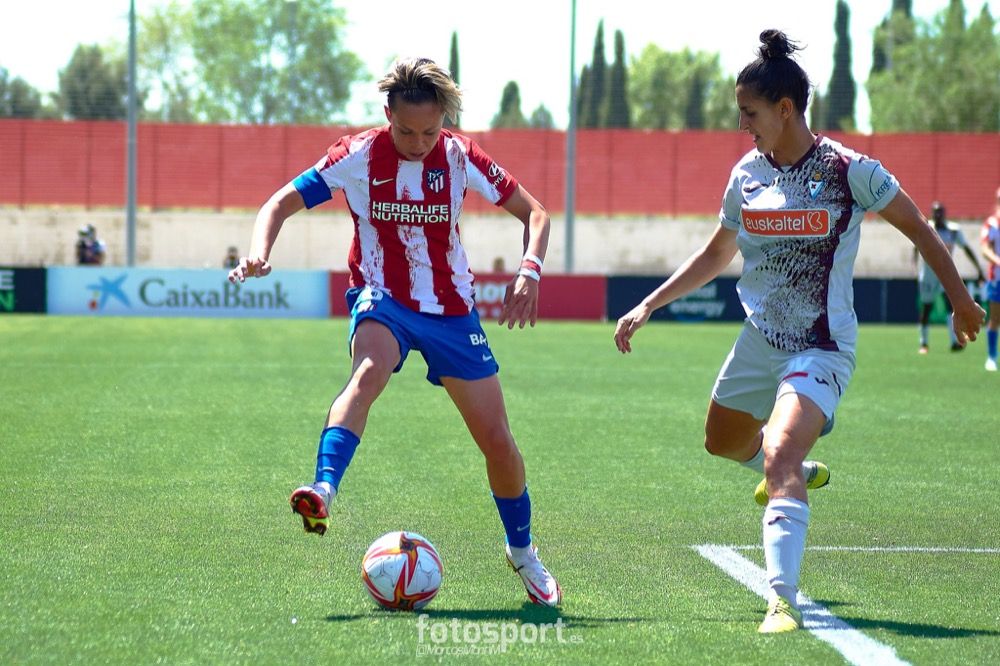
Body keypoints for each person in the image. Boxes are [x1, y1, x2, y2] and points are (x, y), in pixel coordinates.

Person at [613, 30, 984, 634]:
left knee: (781, 451)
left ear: (785, 108)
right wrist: (649, 304)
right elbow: (716, 252)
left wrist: (961, 300)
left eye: (749, 113)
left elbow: (918, 227)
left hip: (822, 346)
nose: (742, 125)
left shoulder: (850, 171)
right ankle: (793, 471)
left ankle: (781, 600)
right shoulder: (746, 175)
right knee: (721, 441)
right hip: (759, 339)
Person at [227, 57, 560, 607]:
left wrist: (530, 271)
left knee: (498, 442)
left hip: (451, 311)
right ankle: (323, 489)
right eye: (406, 131)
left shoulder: (460, 156)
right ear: (388, 115)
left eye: (430, 131)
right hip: (381, 296)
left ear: (444, 120)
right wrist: (260, 252)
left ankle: (522, 551)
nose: (418, 142)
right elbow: (279, 202)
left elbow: (536, 214)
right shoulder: (357, 154)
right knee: (368, 371)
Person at [915, 201, 985, 353]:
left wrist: (978, 268)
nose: (938, 215)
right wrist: (915, 268)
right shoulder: (927, 227)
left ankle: (955, 341)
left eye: (940, 212)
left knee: (950, 305)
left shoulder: (953, 231)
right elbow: (916, 246)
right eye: (935, 212)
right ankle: (923, 343)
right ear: (932, 213)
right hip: (928, 275)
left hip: (945, 274)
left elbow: (966, 248)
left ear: (944, 214)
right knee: (926, 308)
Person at [982, 186, 1000, 371]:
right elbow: (985, 249)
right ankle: (992, 357)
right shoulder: (992, 224)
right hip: (997, 278)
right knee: (995, 318)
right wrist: (998, 261)